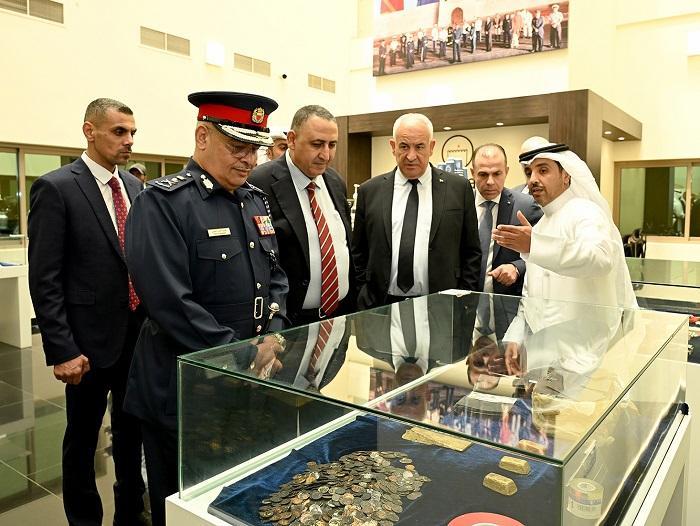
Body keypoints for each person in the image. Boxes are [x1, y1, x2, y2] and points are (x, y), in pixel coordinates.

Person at [123, 91, 289, 526]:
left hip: (246, 383)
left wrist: (274, 333)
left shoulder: (254, 200)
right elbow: (169, 302)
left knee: (235, 498)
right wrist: (245, 352)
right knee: (183, 506)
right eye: (237, 146)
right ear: (202, 136)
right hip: (185, 390)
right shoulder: (162, 202)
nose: (248, 159)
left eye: (254, 148)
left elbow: (276, 276)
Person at [28, 98, 147, 526]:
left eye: (132, 133)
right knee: (82, 439)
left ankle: (131, 511)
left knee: (131, 434)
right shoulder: (57, 187)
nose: (128, 140)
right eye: (119, 132)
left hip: (136, 338)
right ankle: (83, 519)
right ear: (89, 131)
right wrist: (62, 349)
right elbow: (45, 278)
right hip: (87, 344)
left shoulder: (135, 188)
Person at [492, 136, 637, 337]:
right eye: (529, 172)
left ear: (566, 175)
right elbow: (529, 296)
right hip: (543, 346)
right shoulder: (540, 225)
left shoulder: (586, 212)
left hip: (584, 345)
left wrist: (535, 245)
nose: (533, 179)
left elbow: (600, 259)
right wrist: (515, 338)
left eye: (543, 170)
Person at [351, 113, 481, 309]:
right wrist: (363, 293)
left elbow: (471, 251)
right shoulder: (369, 191)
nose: (411, 156)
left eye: (419, 146)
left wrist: (462, 299)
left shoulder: (458, 189)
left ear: (431, 147)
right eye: (404, 146)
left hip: (441, 305)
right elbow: (358, 252)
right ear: (393, 146)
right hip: (380, 305)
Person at [249, 105, 355, 326]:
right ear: (292, 140)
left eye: (332, 145)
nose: (325, 155)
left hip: (339, 317)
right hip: (289, 322)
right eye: (317, 144)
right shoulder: (259, 183)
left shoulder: (335, 181)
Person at [471, 143, 542, 298]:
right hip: (464, 300)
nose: (490, 182)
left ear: (506, 172)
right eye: (483, 174)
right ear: (472, 173)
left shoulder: (526, 207)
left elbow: (542, 253)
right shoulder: (459, 204)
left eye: (497, 174)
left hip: (508, 301)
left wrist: (517, 267)